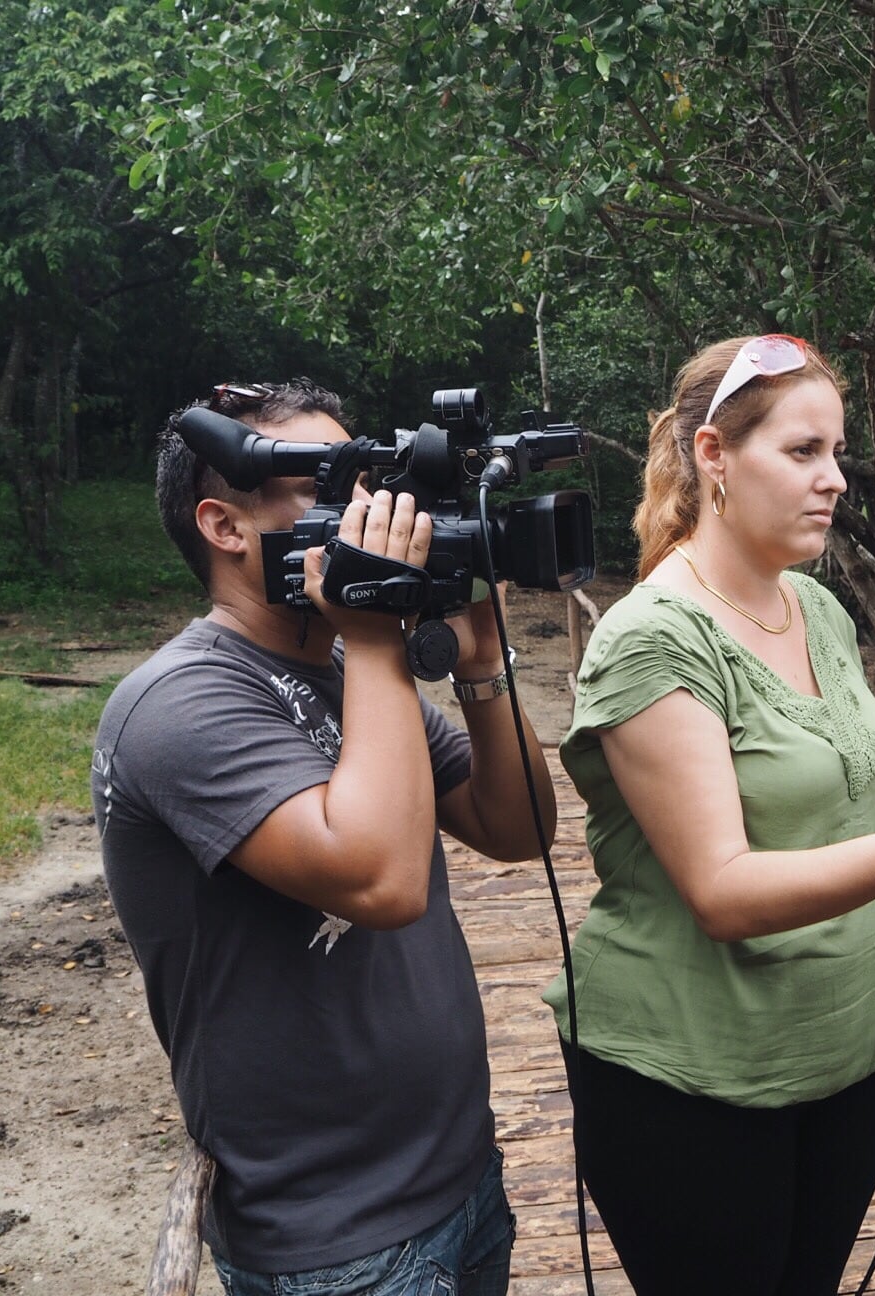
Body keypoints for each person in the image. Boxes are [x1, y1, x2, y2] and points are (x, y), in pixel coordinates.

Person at [546, 335, 875, 1295]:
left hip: (846, 1060)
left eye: (836, 454)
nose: (834, 480)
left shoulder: (815, 606)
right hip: (698, 1081)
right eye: (803, 453)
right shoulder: (652, 639)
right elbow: (722, 890)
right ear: (713, 455)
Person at [93, 380, 554, 1295]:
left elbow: (519, 827)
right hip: (334, 1235)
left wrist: (484, 664)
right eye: (334, 491)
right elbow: (381, 884)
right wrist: (381, 637)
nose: (375, 512)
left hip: (459, 1176)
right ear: (227, 527)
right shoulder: (178, 704)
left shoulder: (345, 666)